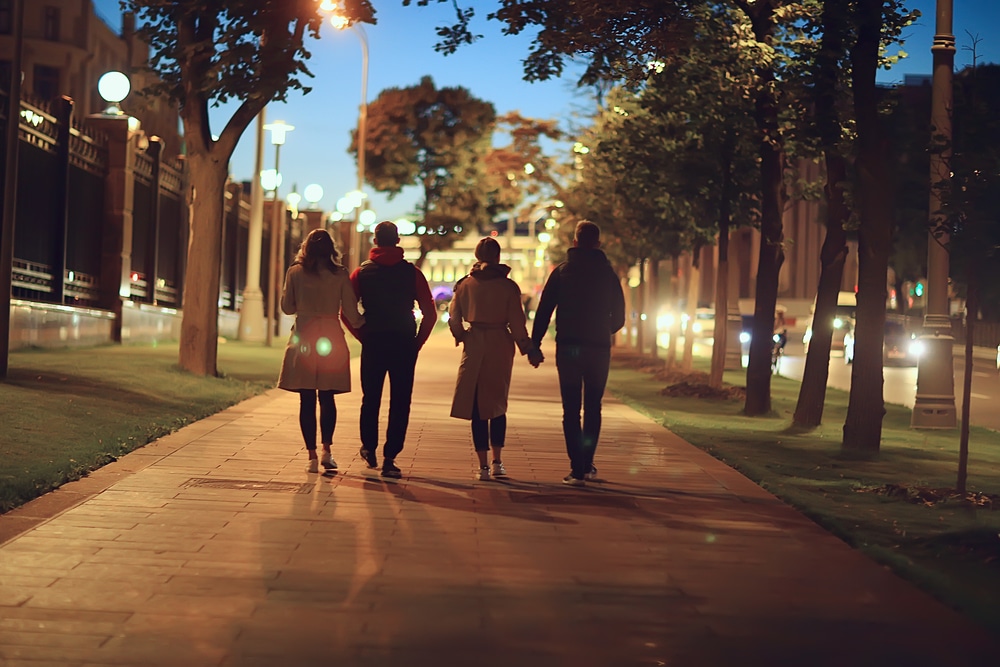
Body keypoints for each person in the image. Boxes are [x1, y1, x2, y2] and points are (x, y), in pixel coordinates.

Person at [531, 221, 625, 486]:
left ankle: (577, 469)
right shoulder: (608, 274)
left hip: (569, 347)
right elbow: (619, 315)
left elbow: (544, 310)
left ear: (574, 242)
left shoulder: (562, 272)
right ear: (598, 243)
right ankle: (587, 462)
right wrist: (603, 330)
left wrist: (535, 344)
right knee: (593, 407)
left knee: (571, 409)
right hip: (597, 349)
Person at [345, 221, 437, 479]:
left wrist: (361, 335)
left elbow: (347, 311)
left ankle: (369, 447)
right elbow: (430, 313)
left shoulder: (361, 273)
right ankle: (390, 457)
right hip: (403, 341)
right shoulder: (412, 273)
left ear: (375, 241)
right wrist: (417, 342)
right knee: (400, 400)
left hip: (373, 339)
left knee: (370, 397)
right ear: (398, 241)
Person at [448, 238, 542, 481]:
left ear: (476, 255)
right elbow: (518, 324)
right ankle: (498, 461)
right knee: (498, 402)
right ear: (498, 257)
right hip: (501, 342)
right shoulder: (508, 287)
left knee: (477, 404)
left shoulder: (464, 285)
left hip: (475, 342)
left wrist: (462, 336)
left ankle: (482, 466)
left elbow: (454, 317)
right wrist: (528, 348)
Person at [278, 228, 364, 473]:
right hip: (330, 336)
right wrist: (364, 325)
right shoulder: (340, 275)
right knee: (326, 397)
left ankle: (312, 457)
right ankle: (327, 450)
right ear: (331, 250)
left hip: (304, 335)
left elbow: (286, 307)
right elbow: (351, 311)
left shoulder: (295, 272)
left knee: (306, 398)